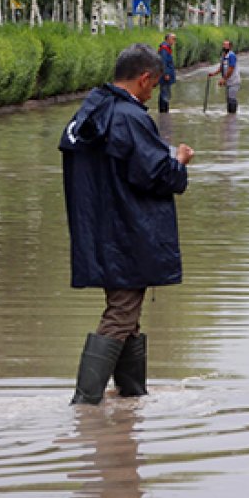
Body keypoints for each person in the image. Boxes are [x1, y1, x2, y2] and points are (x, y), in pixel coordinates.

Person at [58, 43, 194, 405]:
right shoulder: (129, 117)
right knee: (121, 314)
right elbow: (158, 175)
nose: (153, 93)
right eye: (155, 84)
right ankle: (85, 405)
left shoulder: (89, 114)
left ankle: (131, 399)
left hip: (100, 231)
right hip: (130, 232)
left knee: (129, 313)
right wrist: (178, 161)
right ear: (144, 78)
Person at [207, 39, 241, 113]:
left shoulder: (232, 55)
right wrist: (213, 74)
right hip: (228, 82)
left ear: (230, 47)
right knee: (228, 99)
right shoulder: (224, 56)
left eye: (226, 45)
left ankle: (232, 117)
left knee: (231, 99)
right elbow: (221, 68)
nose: (224, 47)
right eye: (223, 45)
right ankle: (230, 117)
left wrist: (223, 79)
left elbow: (231, 69)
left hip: (234, 81)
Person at [156, 33, 176, 113]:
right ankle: (163, 111)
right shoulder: (164, 49)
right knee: (164, 92)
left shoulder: (167, 48)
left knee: (166, 92)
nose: (174, 41)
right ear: (168, 39)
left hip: (166, 75)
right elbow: (163, 62)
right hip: (165, 76)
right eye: (173, 39)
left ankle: (165, 110)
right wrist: (166, 74)